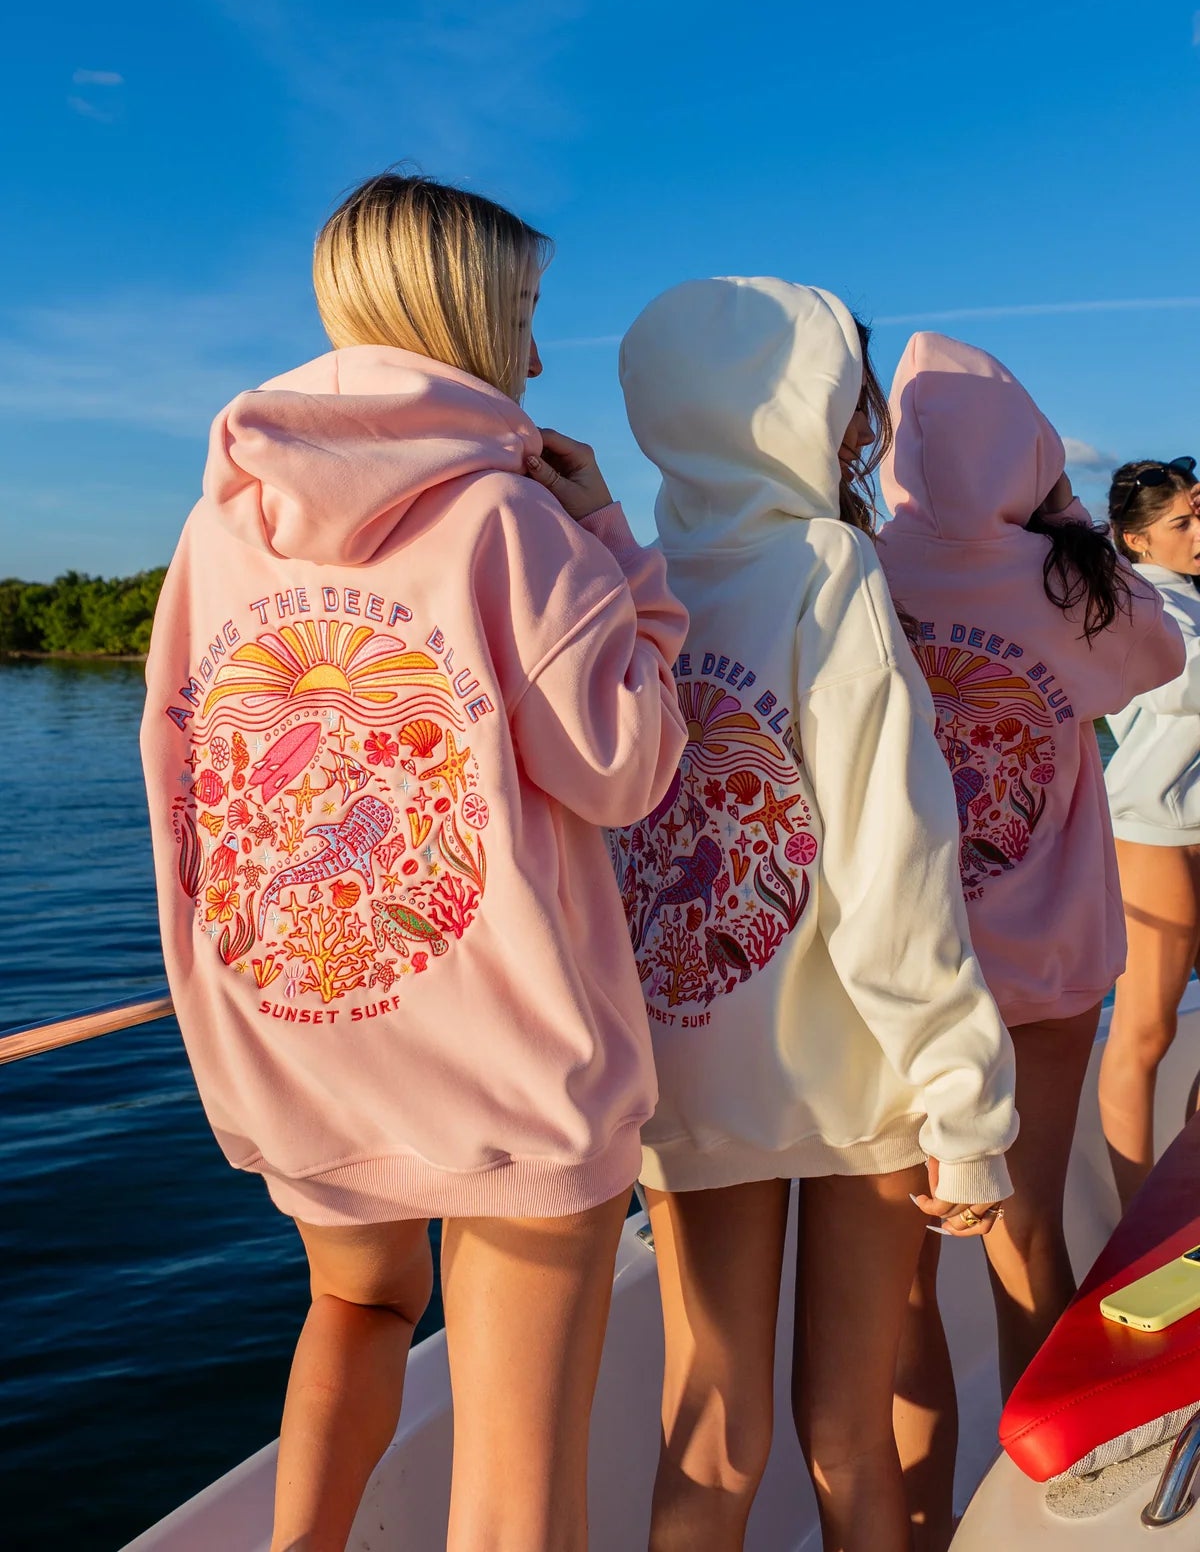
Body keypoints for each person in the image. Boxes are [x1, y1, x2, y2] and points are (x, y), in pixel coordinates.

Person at [139, 172, 688, 1552]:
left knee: (358, 1309)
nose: (540, 354)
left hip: (304, 1031)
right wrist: (627, 557)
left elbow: (182, 773)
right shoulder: (514, 524)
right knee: (515, 1500)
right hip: (501, 1068)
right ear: (461, 311)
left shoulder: (215, 526)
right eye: (526, 312)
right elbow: (624, 769)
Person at [613, 277, 1018, 1552]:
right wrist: (966, 1101)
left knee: (714, 1432)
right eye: (847, 397)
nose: (866, 431)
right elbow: (891, 862)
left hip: (688, 1061)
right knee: (850, 1429)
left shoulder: (628, 570)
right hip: (857, 1068)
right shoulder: (829, 568)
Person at [877, 334, 1185, 1550]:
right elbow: (1158, 656)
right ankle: (1040, 1505)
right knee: (1029, 1232)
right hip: (1046, 968)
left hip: (899, 978)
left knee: (896, 1282)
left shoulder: (866, 569)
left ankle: (913, 1521)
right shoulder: (1073, 586)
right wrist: (1063, 522)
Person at [1098, 458, 1200, 1210]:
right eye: (1183, 524)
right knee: (1144, 1033)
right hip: (1151, 834)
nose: (1199, 535)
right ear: (1136, 540)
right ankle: (1140, 1227)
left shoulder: (1190, 598)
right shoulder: (1136, 603)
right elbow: (1181, 685)